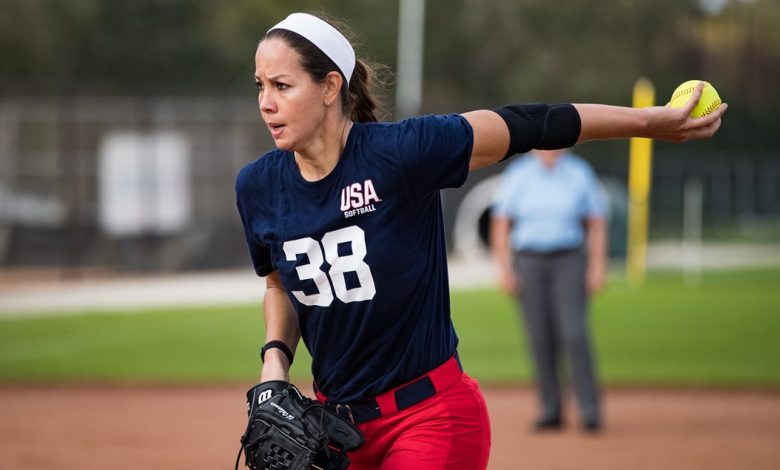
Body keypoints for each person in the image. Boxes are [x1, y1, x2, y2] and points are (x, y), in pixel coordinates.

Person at [235, 11, 726, 469]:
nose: (266, 102)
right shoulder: (257, 186)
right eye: (260, 85)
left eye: (282, 85)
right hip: (338, 432)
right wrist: (275, 360)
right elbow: (280, 286)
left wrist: (649, 123)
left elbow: (532, 123)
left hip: (431, 417)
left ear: (330, 87)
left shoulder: (402, 155)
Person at [490, 148, 607, 433]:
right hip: (529, 261)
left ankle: (589, 409)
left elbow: (596, 221)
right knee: (539, 337)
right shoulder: (519, 174)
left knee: (574, 334)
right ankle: (550, 408)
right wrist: (504, 268)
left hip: (568, 258)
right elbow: (502, 222)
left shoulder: (579, 172)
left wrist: (597, 266)